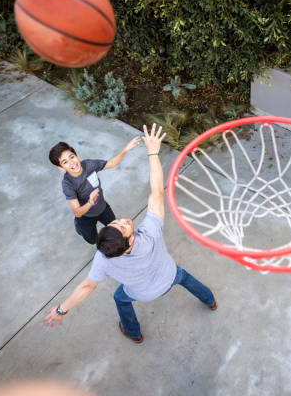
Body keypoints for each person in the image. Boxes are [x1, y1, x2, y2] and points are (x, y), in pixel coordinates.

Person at [44, 124, 217, 343]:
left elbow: (87, 286)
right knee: (183, 276)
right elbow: (156, 191)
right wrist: (153, 152)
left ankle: (133, 332)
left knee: (120, 297)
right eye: (124, 226)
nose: (124, 220)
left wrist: (61, 310)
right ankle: (210, 300)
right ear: (131, 239)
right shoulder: (150, 232)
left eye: (115, 222)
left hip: (142, 294)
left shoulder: (104, 259)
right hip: (169, 275)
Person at [48, 136, 141, 244]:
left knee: (117, 231)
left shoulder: (89, 165)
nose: (72, 163)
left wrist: (126, 149)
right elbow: (77, 212)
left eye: (72, 157)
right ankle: (78, 226)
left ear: (77, 156)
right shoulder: (68, 184)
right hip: (86, 216)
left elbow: (111, 164)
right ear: (61, 168)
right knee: (93, 240)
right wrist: (91, 202)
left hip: (102, 208)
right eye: (65, 162)